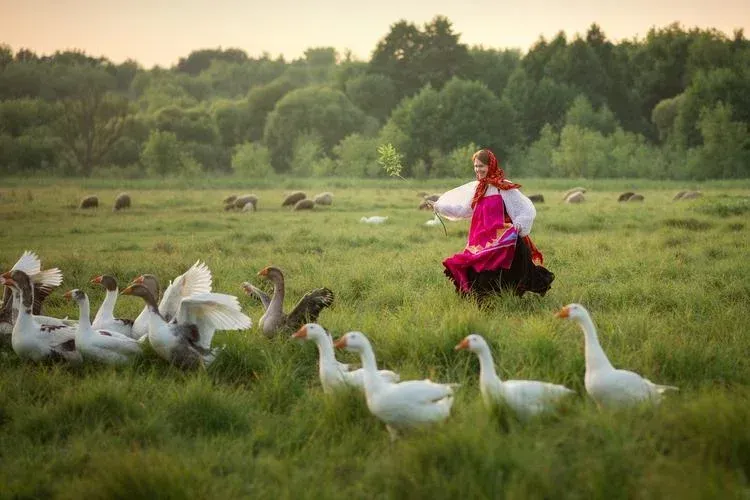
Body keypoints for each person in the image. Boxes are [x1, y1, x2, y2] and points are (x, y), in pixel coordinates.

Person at [433, 148, 554, 300]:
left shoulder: (503, 186)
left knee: (502, 277)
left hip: (504, 241)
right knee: (476, 273)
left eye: (481, 166)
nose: (478, 169)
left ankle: (505, 301)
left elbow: (526, 208)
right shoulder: (478, 189)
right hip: (482, 240)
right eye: (476, 166)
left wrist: (519, 223)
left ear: (491, 165)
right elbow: (464, 210)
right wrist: (439, 207)